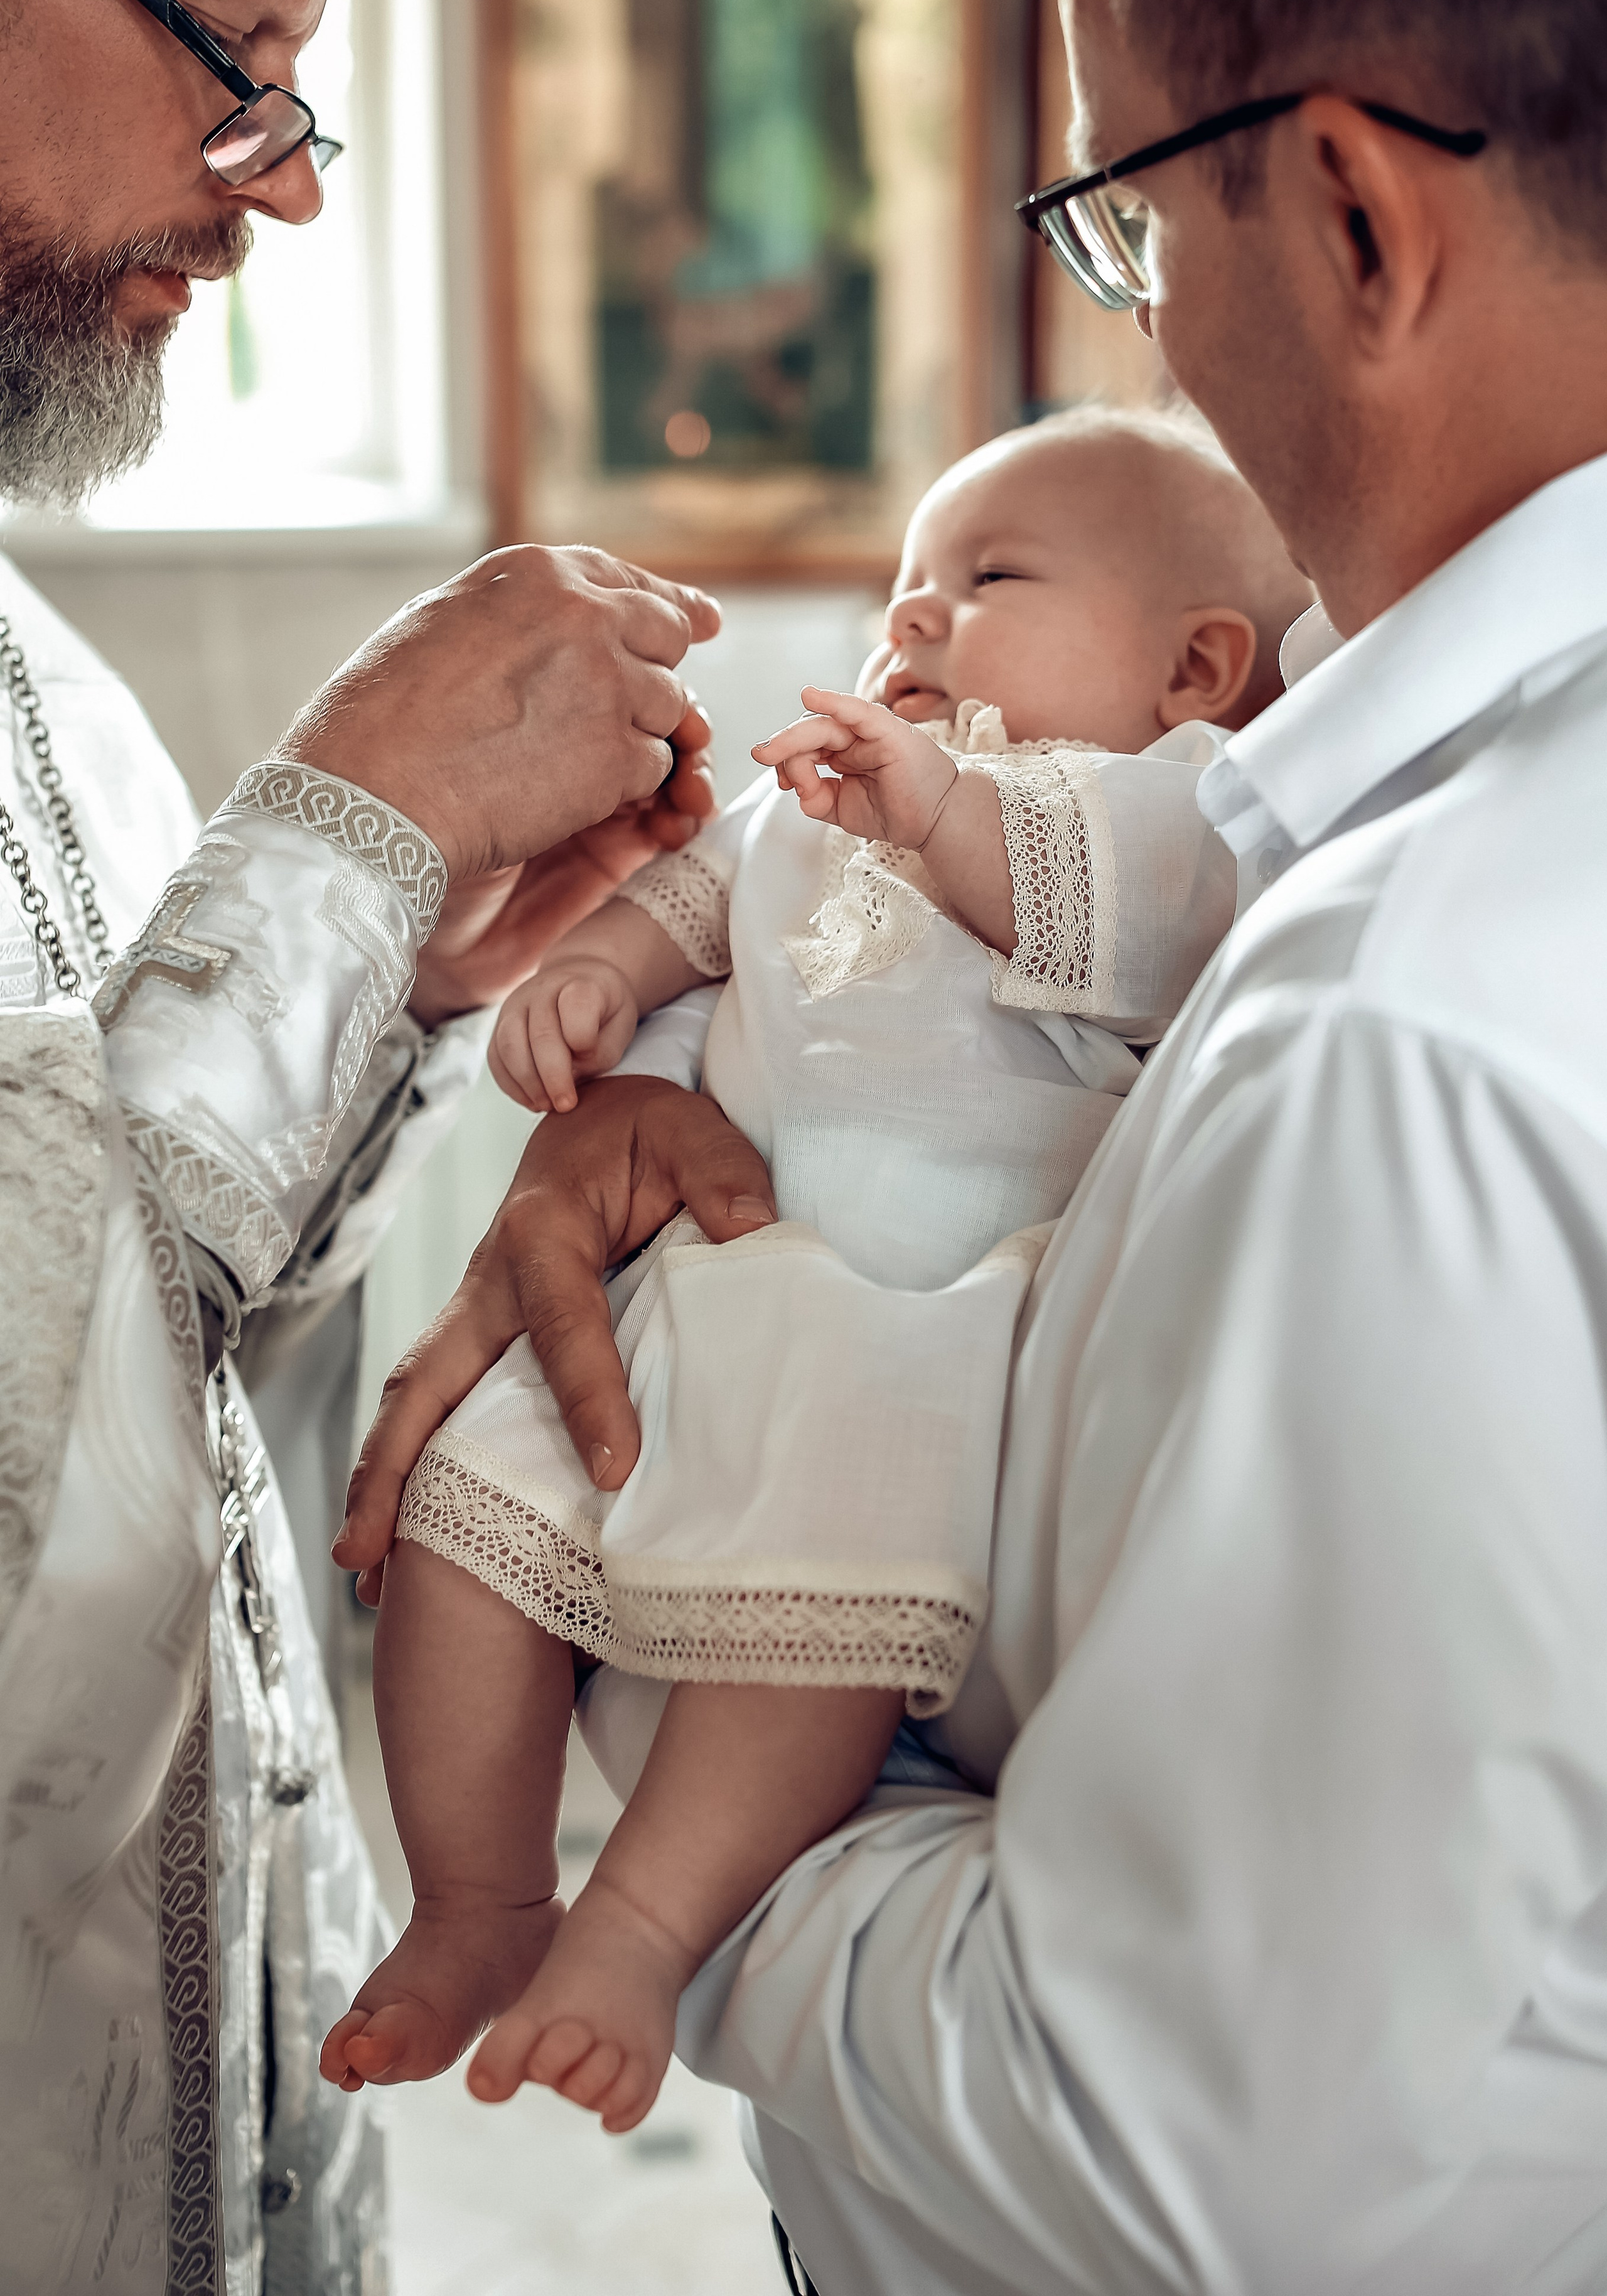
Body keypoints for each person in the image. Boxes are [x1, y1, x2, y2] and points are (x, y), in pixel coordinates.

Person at [339, 0, 1607, 2286]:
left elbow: (1171, 2154)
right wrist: (643, 1065)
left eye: (1125, 216)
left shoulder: (1397, 1025)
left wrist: (671, 1704)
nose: (1146, 332)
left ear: (1353, 212)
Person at [0, 0, 719, 2290]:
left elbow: (155, 1374)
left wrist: (398, 982)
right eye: (224, 53)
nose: (294, 179)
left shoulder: (48, 679)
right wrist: (328, 832)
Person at [320, 409, 1311, 2130]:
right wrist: (605, 988)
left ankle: (637, 1924)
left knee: (808, 1632)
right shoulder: (822, 801)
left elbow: (1127, 922)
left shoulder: (1168, 817)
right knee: (461, 1510)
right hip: (712, 1290)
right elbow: (702, 904)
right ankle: (480, 1900)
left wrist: (938, 806)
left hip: (915, 1337)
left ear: (1195, 665)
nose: (911, 616)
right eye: (906, 583)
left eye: (985, 579)